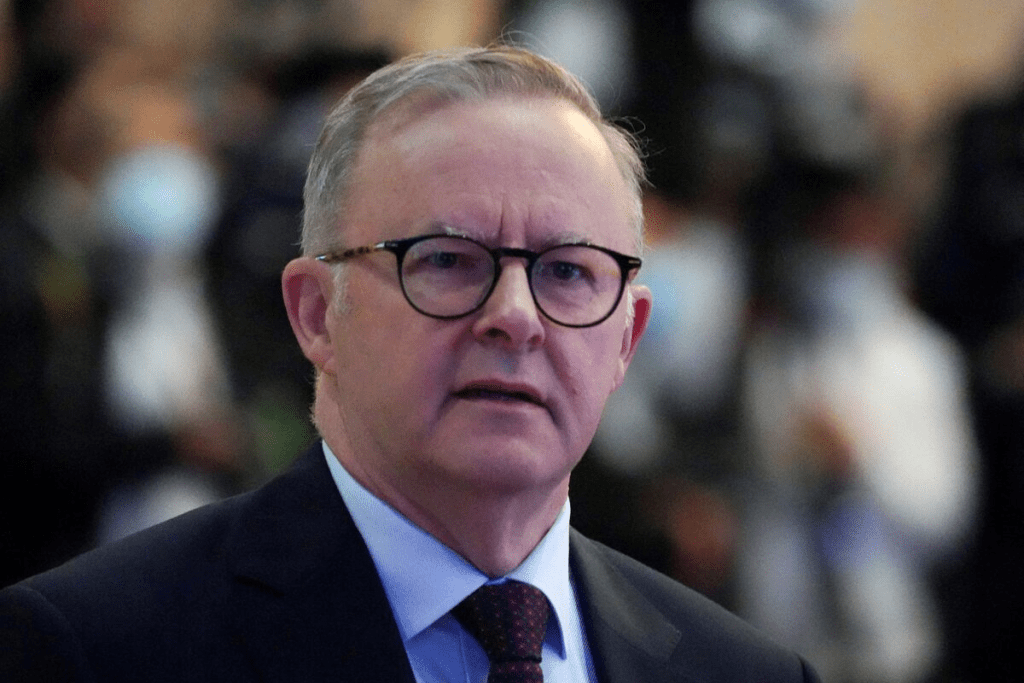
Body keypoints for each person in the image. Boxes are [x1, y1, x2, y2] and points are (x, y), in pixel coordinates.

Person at [0, 45, 820, 683]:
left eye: (567, 271)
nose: (514, 317)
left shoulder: (744, 670)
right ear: (317, 314)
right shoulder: (95, 648)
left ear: (627, 339)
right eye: (447, 260)